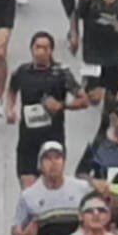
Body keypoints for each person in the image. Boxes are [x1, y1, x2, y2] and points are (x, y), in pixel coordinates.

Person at [7, 31, 87, 187]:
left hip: (52, 140)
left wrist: (62, 106)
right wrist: (10, 109)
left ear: (51, 51)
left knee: (51, 186)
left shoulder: (61, 74)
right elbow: (11, 90)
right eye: (37, 47)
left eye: (45, 48)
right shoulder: (22, 72)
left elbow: (84, 100)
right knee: (28, 190)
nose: (41, 52)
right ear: (31, 49)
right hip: (27, 141)